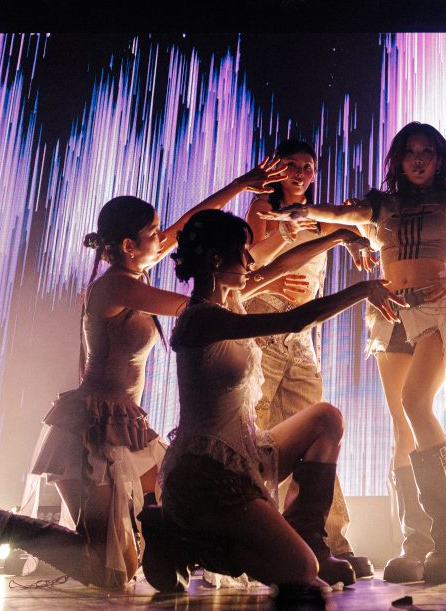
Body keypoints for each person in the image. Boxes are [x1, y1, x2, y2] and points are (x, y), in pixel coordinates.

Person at [0, 160, 290, 590]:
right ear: (130, 245)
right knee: (109, 571)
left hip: (127, 423)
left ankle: (172, 549)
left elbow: (186, 228)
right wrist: (264, 278)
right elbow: (197, 309)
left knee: (176, 504)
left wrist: (239, 186)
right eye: (154, 233)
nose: (165, 239)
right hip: (90, 429)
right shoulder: (117, 286)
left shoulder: (133, 269)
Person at [262, 122, 446, 584]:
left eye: (427, 152)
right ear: (397, 159)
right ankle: (416, 541)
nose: (418, 159)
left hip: (435, 313)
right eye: (410, 151)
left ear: (439, 160)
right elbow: (338, 213)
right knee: (401, 427)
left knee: (417, 404)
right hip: (390, 314)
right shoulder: (381, 204)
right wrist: (302, 210)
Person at [137, 210, 402, 591]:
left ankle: (309, 537)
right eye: (242, 253)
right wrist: (363, 290)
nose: (250, 261)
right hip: (207, 473)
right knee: (302, 573)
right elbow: (295, 321)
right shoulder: (200, 319)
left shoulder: (232, 300)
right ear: (216, 259)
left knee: (327, 418)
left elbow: (282, 265)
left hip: (246, 455)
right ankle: (180, 535)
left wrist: (339, 236)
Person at [244, 138, 375, 579]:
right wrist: (275, 283)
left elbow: (355, 229)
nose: (300, 173)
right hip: (263, 324)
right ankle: (249, 534)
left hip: (302, 337)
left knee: (319, 432)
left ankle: (327, 539)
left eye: (308, 166)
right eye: (292, 165)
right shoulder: (263, 208)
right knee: (254, 425)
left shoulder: (319, 218)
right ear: (278, 170)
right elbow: (247, 266)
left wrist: (354, 241)